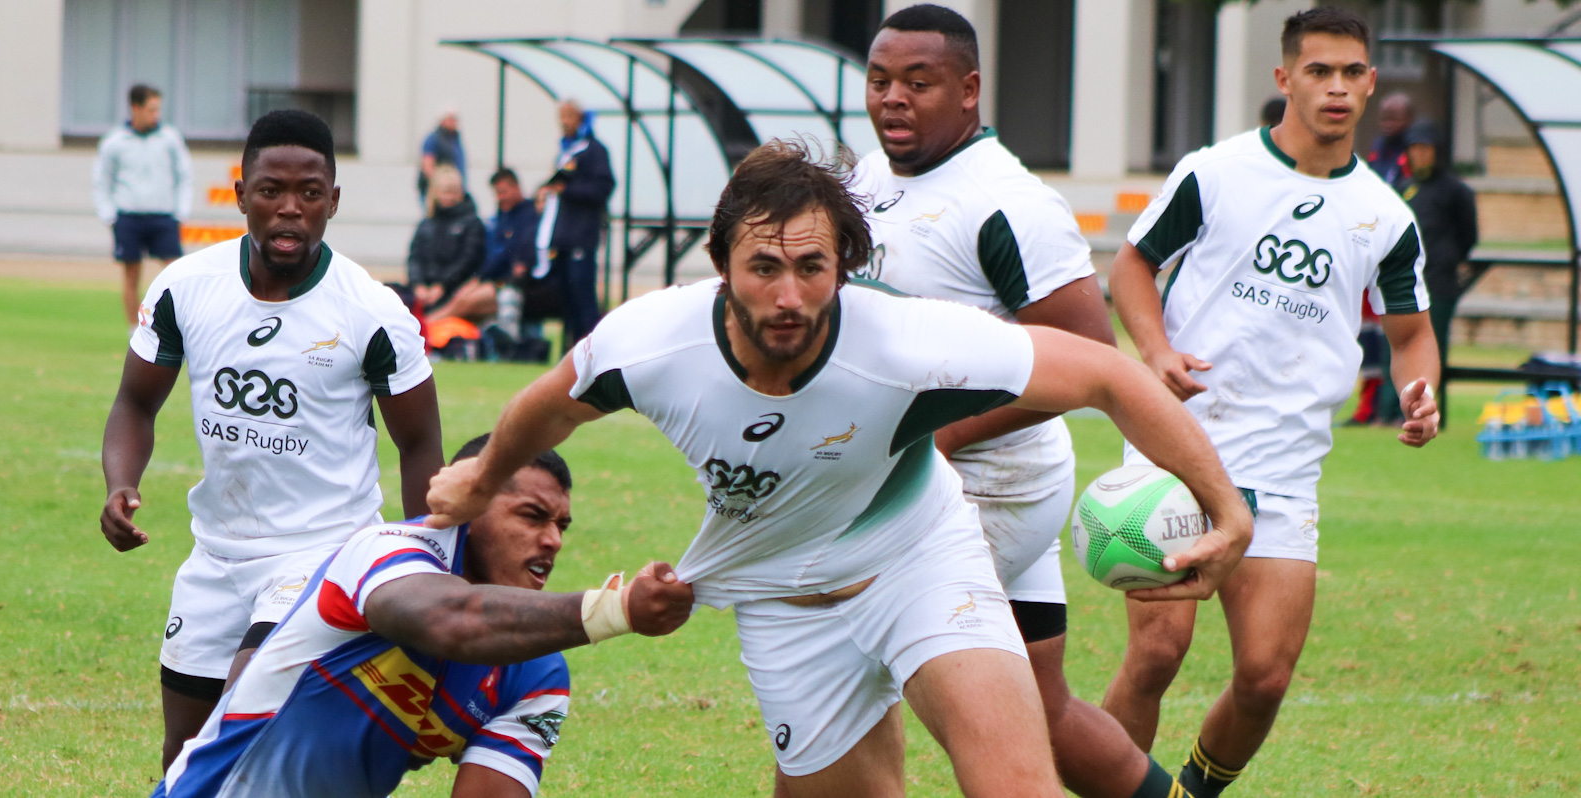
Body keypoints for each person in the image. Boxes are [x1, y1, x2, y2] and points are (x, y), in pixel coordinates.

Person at [425, 138, 1255, 798]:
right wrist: (483, 477)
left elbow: (1106, 374)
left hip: (919, 563)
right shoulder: (650, 343)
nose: (789, 295)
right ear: (721, 264)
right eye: (764, 267)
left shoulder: (905, 341)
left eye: (812, 267)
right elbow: (550, 403)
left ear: (845, 267)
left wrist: (1227, 510)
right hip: (787, 606)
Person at [1102, 10, 1441, 797]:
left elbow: (1411, 332)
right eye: (1319, 71)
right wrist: (1156, 352)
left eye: (1350, 72)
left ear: (1370, 83)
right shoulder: (1215, 173)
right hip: (1179, 441)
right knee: (1156, 654)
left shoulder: (1387, 217)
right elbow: (1131, 268)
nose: (1336, 87)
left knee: (1264, 678)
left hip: (1285, 462)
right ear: (1285, 77)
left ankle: (1188, 792)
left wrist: (1418, 391)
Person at [852, 6, 1188, 797]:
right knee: (1046, 709)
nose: (893, 98)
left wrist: (941, 437)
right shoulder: (870, 176)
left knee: (849, 676)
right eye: (880, 80)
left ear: (969, 90)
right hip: (978, 477)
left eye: (918, 82)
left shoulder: (1007, 202)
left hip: (984, 486)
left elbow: (1088, 353)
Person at [99, 109, 445, 771]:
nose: (290, 208)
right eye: (271, 191)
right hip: (216, 554)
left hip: (324, 555)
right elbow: (135, 403)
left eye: (309, 193)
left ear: (333, 201)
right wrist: (121, 484)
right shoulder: (185, 288)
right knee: (185, 753)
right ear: (240, 196)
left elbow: (421, 445)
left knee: (244, 727)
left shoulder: (373, 313)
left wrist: (427, 563)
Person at [154, 437, 694, 798]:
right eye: (532, 516)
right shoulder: (386, 553)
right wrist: (614, 609)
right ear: (471, 506)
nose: (552, 540)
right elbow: (452, 621)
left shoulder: (538, 674)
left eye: (561, 526)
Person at [1392, 120, 1477, 421]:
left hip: (1439, 281)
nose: (1420, 154)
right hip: (1405, 279)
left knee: (1431, 344)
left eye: (1425, 148)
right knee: (1397, 343)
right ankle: (1390, 410)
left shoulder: (1455, 190)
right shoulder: (1403, 187)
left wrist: (1448, 257)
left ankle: (1427, 409)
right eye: (1415, 148)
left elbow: (1468, 234)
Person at [94, 84, 194, 329]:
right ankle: (134, 332)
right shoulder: (115, 141)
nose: (156, 115)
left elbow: (184, 176)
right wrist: (109, 216)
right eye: (151, 110)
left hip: (163, 217)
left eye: (158, 110)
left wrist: (181, 212)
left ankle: (180, 327)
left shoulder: (169, 138)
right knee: (131, 276)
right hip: (128, 217)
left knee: (176, 274)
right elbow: (102, 181)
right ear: (135, 108)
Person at [533, 99, 615, 345]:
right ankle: (569, 352)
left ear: (579, 118)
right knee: (566, 300)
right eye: (561, 117)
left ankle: (592, 349)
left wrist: (567, 190)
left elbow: (603, 188)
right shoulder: (566, 150)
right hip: (563, 239)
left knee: (583, 298)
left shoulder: (594, 150)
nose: (564, 122)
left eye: (568, 116)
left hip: (581, 237)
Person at [427, 168, 540, 330]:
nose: (500, 198)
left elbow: (507, 255)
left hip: (509, 284)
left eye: (503, 192)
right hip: (493, 280)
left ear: (516, 187)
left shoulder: (528, 215)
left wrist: (480, 279)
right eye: (497, 193)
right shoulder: (502, 216)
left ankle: (427, 325)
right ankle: (430, 326)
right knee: (462, 299)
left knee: (464, 302)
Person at [409, 164, 487, 314]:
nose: (449, 197)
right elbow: (415, 258)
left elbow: (468, 260)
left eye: (453, 192)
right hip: (424, 289)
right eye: (445, 192)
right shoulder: (426, 224)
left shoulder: (472, 223)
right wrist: (417, 285)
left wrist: (443, 286)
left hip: (454, 289)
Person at [418, 108, 467, 205]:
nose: (454, 122)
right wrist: (439, 185)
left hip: (453, 188)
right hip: (439, 190)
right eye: (451, 119)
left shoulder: (453, 138)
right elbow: (428, 165)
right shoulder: (434, 139)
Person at [1367, 91, 1414, 190]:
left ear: (1409, 119)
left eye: (1394, 119)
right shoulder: (1377, 147)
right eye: (1384, 119)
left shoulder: (1414, 149)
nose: (1388, 125)